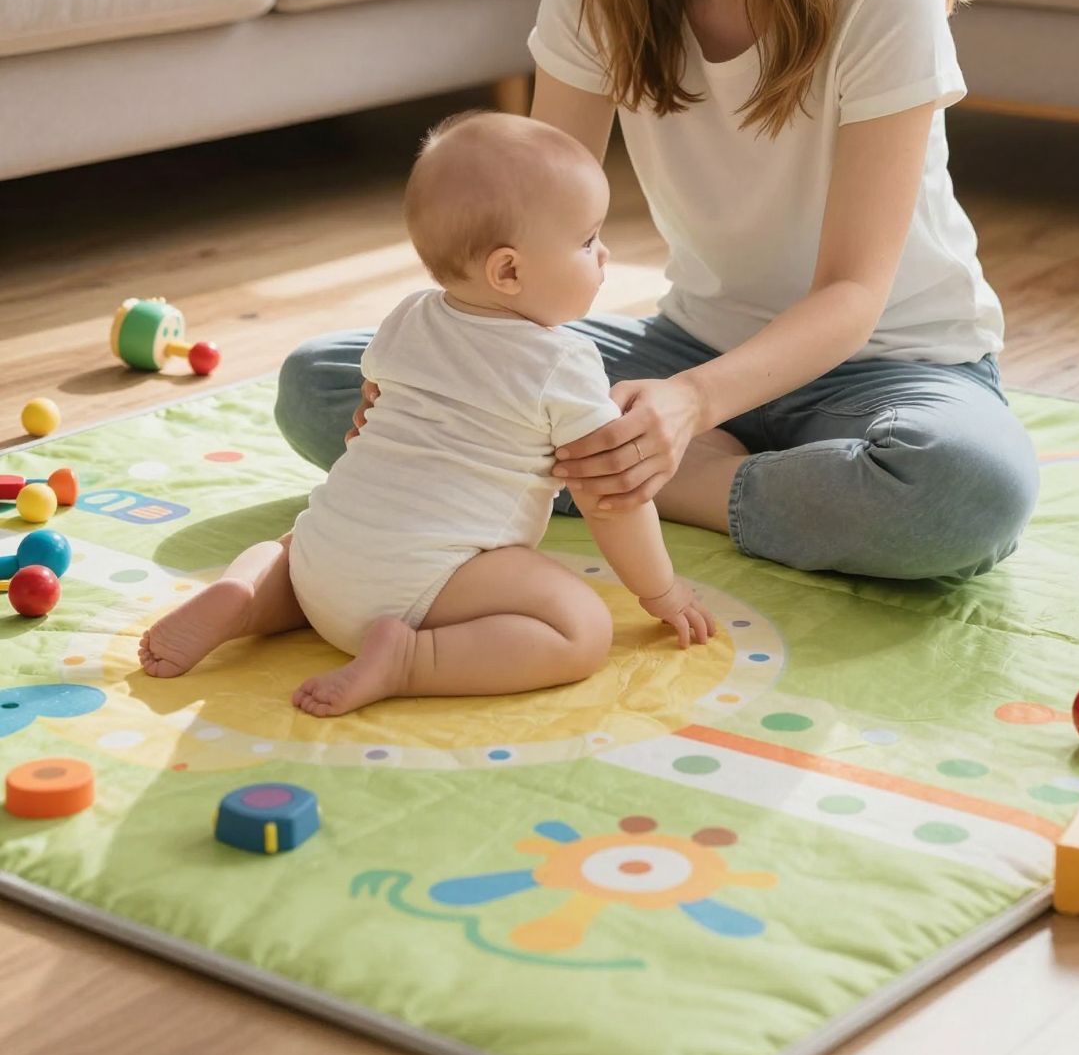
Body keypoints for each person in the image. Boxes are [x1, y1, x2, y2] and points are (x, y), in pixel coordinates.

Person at [276, 0, 1039, 583]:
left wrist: (686, 413)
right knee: (326, 385)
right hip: (687, 342)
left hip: (887, 364)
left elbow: (852, 294)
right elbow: (524, 220)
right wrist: (446, 367)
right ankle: (697, 477)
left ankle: (678, 483)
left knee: (960, 494)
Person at [138, 112, 714, 716]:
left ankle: (247, 592)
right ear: (509, 270)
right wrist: (660, 589)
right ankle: (410, 659)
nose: (605, 253)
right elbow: (610, 497)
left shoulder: (410, 315)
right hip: (420, 586)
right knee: (580, 628)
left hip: (321, 559)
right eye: (587, 240)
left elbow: (373, 399)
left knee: (298, 544)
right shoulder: (562, 363)